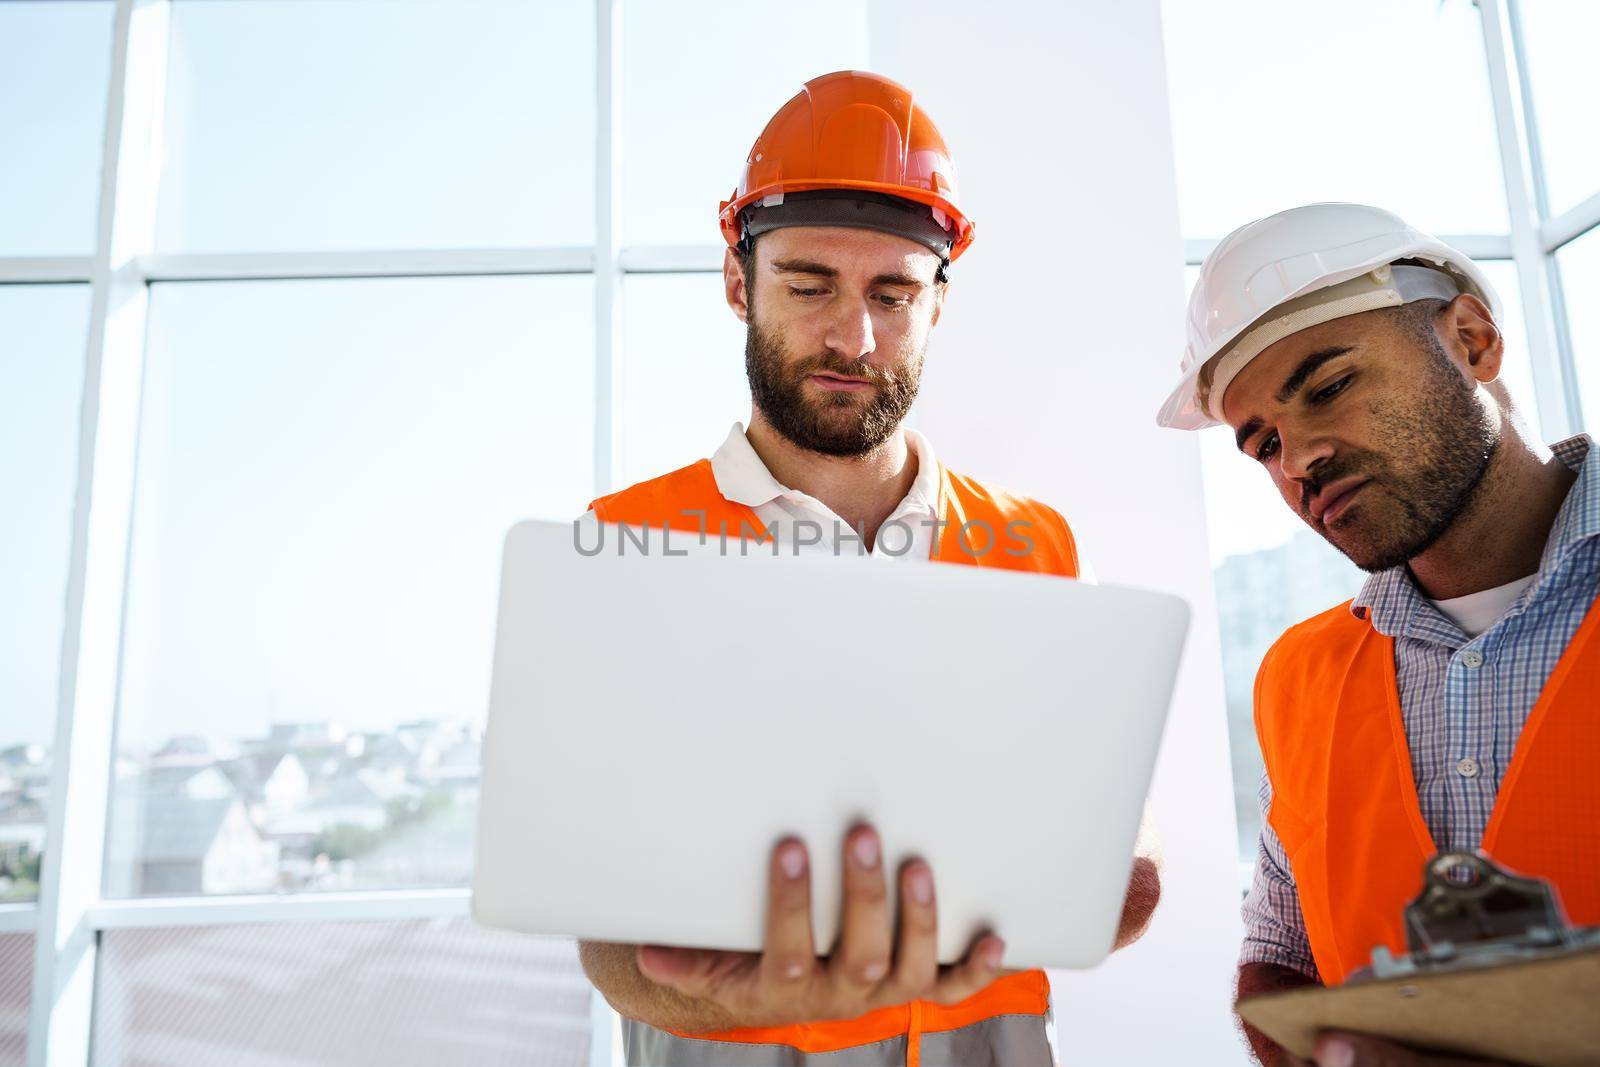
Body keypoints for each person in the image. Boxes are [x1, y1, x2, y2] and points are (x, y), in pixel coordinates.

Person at [576, 70, 1162, 1067]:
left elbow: (1119, 876)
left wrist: (1093, 892)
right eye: (808, 286)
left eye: (892, 294)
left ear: (939, 301)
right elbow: (605, 938)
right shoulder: (624, 542)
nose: (853, 337)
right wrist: (744, 994)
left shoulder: (1039, 550)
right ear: (736, 283)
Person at [1158, 202, 1599, 1067]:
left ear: (1471, 339)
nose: (1297, 459)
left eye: (1327, 386)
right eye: (1263, 443)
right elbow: (1281, 959)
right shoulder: (1300, 676)